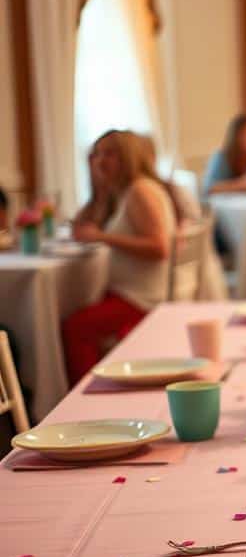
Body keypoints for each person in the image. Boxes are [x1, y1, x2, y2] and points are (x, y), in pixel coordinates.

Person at [62, 130, 181, 380]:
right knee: (76, 312)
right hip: (128, 293)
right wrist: (98, 190)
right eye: (96, 154)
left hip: (140, 299)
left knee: (75, 328)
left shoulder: (140, 191)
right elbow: (86, 223)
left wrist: (102, 237)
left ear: (127, 156)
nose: (100, 160)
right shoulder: (125, 192)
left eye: (109, 154)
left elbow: (159, 247)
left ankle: (90, 389)